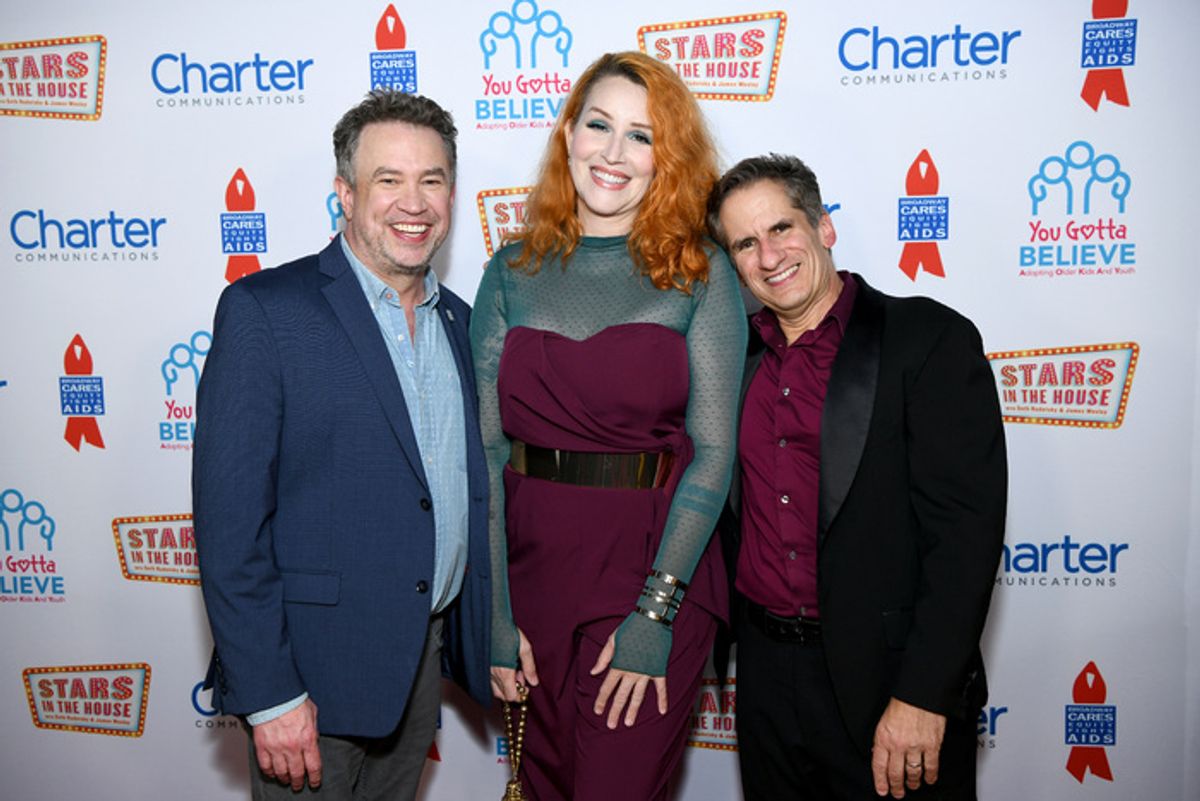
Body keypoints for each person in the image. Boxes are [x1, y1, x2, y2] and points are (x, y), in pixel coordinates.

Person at [193, 90, 491, 800]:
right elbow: (230, 525)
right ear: (346, 194)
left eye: (432, 179)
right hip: (311, 680)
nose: (412, 202)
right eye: (388, 179)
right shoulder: (267, 310)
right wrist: (270, 695)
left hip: (421, 661)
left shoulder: (462, 321)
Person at [471, 51, 747, 800]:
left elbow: (714, 457)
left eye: (642, 135)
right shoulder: (509, 270)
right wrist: (494, 613)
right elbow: (489, 454)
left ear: (669, 159)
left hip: (652, 566)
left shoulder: (700, 272)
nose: (614, 152)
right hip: (532, 574)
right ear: (568, 134)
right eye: (599, 124)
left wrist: (657, 611)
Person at [707, 154, 1007, 800]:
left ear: (823, 226)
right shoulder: (734, 359)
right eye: (745, 243)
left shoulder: (926, 339)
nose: (770, 255)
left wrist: (923, 693)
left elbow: (964, 535)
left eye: (782, 228)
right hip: (764, 676)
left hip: (889, 678)